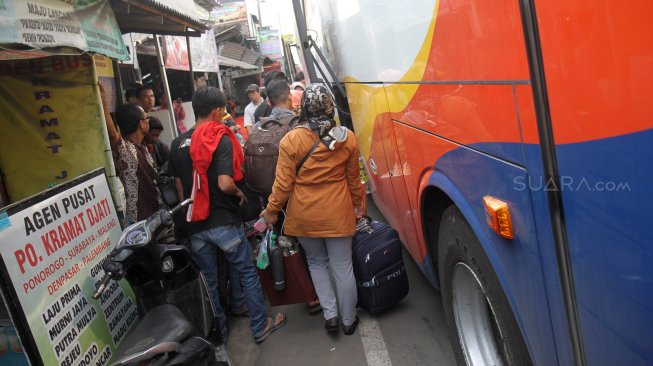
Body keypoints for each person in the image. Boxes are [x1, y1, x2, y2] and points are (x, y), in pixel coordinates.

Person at [167, 86, 286, 344]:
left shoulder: (176, 144)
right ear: (218, 110)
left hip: (195, 226)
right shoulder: (218, 137)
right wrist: (239, 194)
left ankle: (218, 333)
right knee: (245, 271)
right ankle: (260, 325)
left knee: (209, 282)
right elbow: (224, 183)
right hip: (222, 220)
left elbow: (179, 189)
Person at [261, 83, 364, 335]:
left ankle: (330, 315)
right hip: (338, 213)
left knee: (317, 263)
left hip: (304, 216)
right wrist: (359, 206)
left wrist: (272, 209)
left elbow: (283, 184)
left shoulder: (291, 140)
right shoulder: (346, 138)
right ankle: (349, 320)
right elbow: (354, 181)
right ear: (330, 105)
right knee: (342, 265)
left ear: (304, 106)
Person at [99, 81, 161, 225]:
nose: (148, 122)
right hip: (140, 219)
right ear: (141, 124)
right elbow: (113, 135)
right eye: (146, 119)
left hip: (156, 212)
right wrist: (103, 102)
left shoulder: (143, 147)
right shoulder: (125, 148)